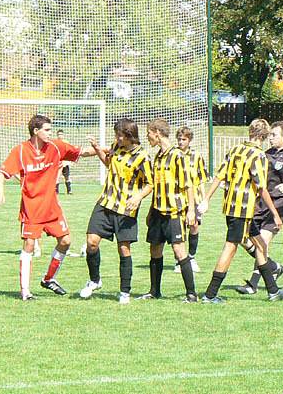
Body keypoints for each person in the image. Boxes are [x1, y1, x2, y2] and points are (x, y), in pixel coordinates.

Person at [0, 115, 96, 301]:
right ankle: (25, 291)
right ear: (36, 131)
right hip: (31, 209)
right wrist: (0, 191)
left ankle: (49, 279)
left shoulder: (56, 146)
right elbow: (2, 172)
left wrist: (106, 149)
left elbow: (82, 152)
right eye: (47, 130)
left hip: (52, 209)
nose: (50, 133)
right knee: (30, 245)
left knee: (65, 241)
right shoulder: (21, 151)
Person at [198, 119, 283, 303]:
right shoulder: (258, 155)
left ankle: (273, 291)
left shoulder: (235, 149)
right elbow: (261, 188)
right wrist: (275, 214)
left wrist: (206, 199)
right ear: (265, 136)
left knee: (260, 246)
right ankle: (210, 294)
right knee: (230, 248)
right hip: (242, 210)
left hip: (232, 208)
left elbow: (219, 175)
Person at [79, 118, 154, 304]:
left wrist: (137, 198)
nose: (117, 138)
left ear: (130, 136)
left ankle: (125, 292)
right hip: (105, 202)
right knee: (91, 242)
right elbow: (108, 164)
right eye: (116, 135)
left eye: (120, 135)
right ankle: (94, 281)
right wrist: (97, 148)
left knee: (123, 249)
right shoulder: (116, 146)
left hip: (125, 209)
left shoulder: (142, 156)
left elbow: (150, 183)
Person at [235, 121, 283, 295]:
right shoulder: (265, 154)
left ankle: (253, 285)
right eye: (270, 134)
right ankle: (274, 267)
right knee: (243, 239)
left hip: (281, 204)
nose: (270, 138)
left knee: (262, 242)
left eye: (274, 135)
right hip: (260, 203)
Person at [137, 118, 198, 303]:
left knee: (179, 251)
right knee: (155, 250)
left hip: (174, 212)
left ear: (157, 132)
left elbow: (188, 184)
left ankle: (191, 294)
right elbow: (156, 186)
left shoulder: (178, 155)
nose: (147, 137)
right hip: (157, 212)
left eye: (148, 133)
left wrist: (191, 210)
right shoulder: (158, 156)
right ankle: (154, 291)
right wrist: (149, 211)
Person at [173, 126, 209, 274]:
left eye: (184, 139)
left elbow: (201, 178)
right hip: (177, 198)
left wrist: (204, 199)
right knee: (178, 229)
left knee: (194, 226)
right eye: (179, 139)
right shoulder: (173, 154)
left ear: (190, 140)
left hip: (194, 197)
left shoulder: (196, 156)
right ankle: (179, 261)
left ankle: (192, 258)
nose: (181, 142)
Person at [55, 129, 73, 195]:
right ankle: (56, 191)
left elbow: (70, 152)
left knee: (67, 176)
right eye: (59, 135)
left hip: (65, 162)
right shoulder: (55, 143)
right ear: (57, 135)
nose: (60, 136)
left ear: (63, 135)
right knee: (57, 176)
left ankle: (69, 191)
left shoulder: (66, 142)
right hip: (58, 162)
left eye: (61, 134)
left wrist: (70, 161)